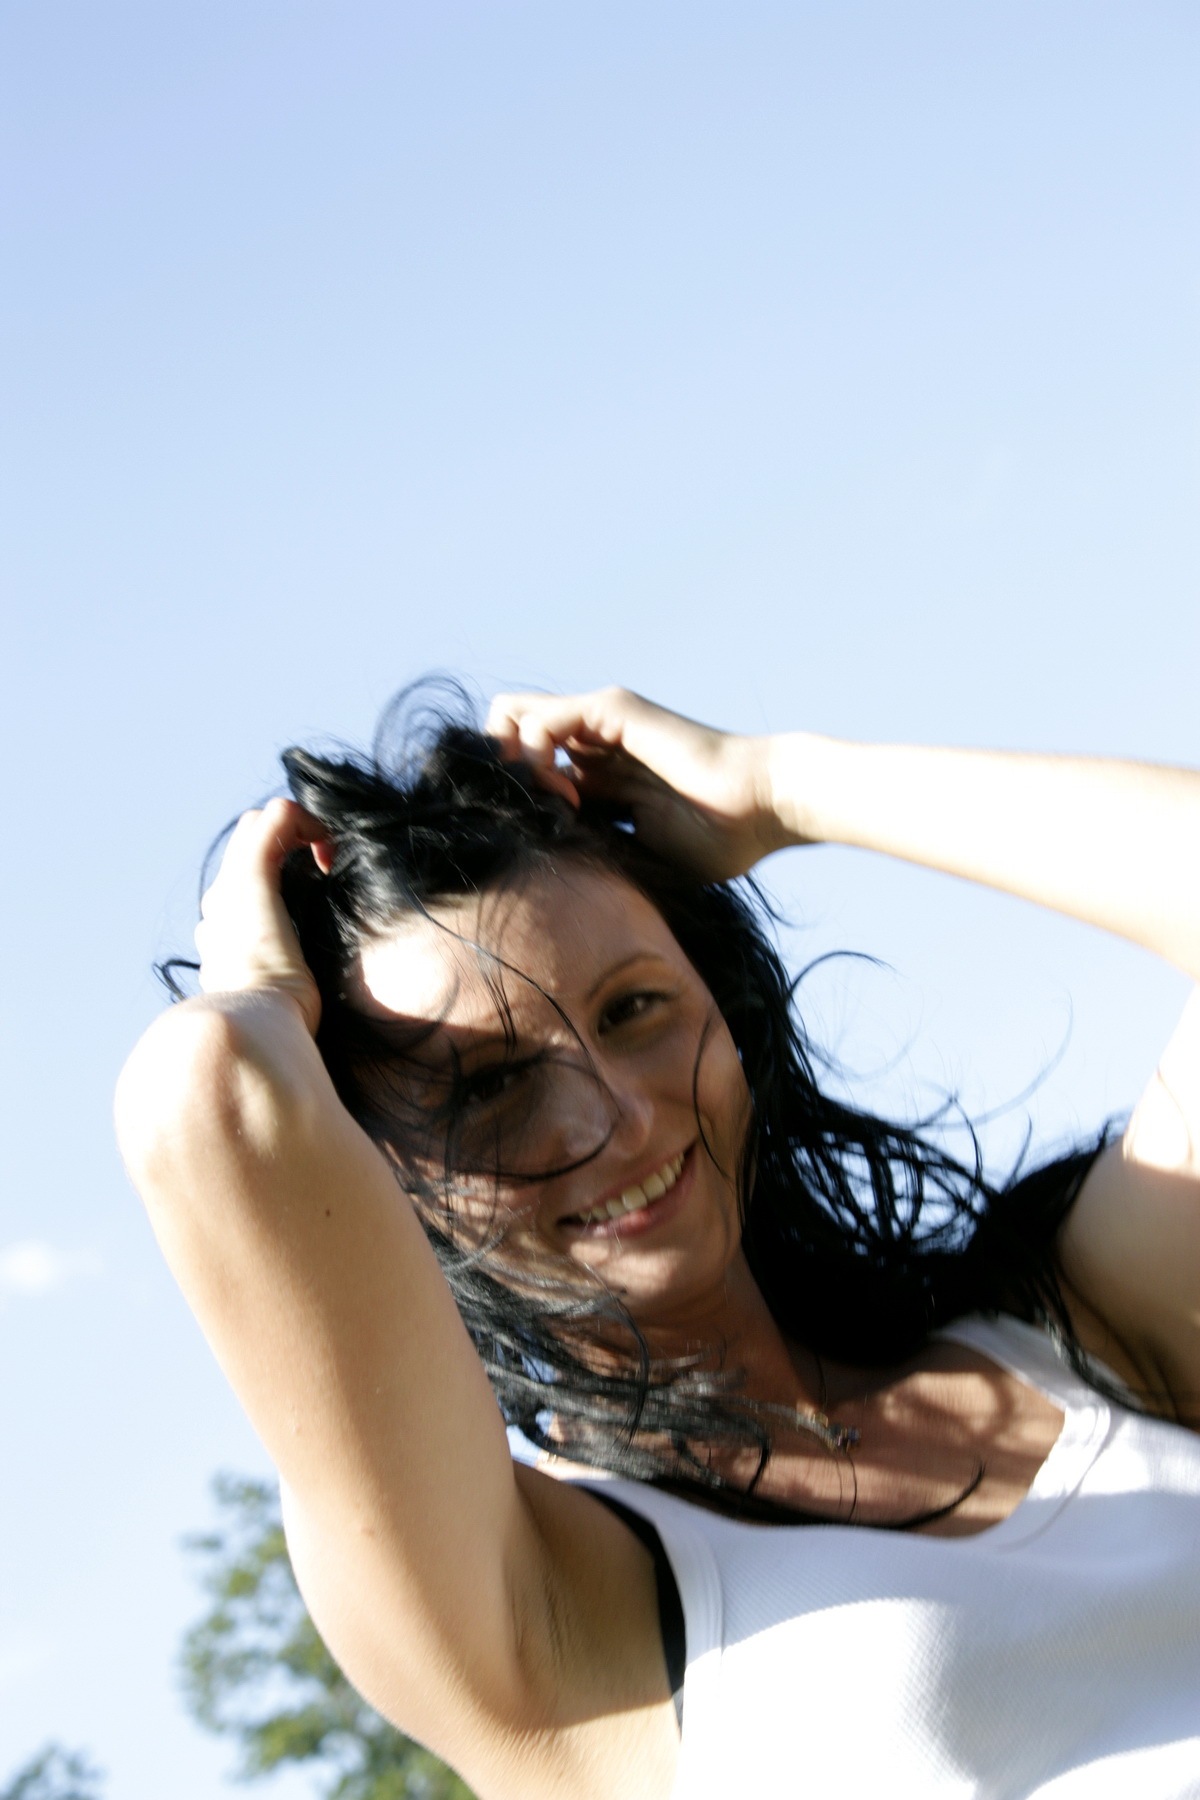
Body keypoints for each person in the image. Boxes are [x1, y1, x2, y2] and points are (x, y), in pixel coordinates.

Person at [116, 684, 1200, 1799]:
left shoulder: (1086, 1328)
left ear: (722, 1004)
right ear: (384, 1181)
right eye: (490, 1087)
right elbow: (209, 1096)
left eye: (634, 1009)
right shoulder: (543, 1606)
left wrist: (778, 787)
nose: (619, 1119)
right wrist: (255, 991)